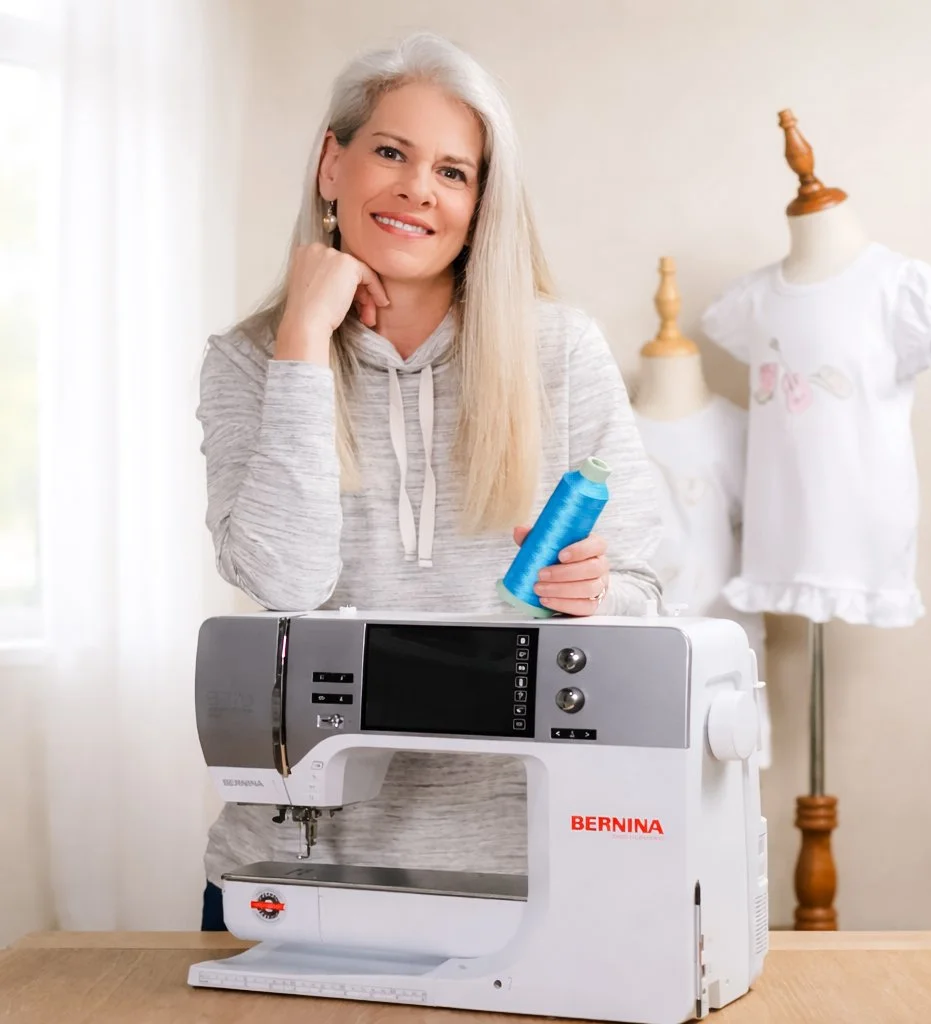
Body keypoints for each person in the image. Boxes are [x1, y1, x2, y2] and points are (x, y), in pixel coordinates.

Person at [195, 31, 662, 930]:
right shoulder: (249, 363)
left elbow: (643, 592)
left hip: (523, 877)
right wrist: (301, 339)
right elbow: (284, 581)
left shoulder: (559, 351)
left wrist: (600, 594)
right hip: (291, 873)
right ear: (332, 164)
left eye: (454, 171)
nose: (418, 188)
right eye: (391, 152)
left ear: (482, 202)